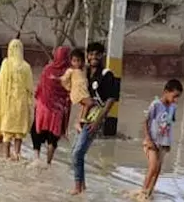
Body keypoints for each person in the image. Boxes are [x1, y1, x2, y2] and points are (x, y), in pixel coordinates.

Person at [71, 42, 119, 194]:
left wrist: (98, 122)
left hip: (95, 118)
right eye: (90, 54)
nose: (93, 57)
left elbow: (111, 100)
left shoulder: (107, 74)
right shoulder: (85, 74)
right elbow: (84, 98)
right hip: (85, 116)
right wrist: (78, 119)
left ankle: (78, 188)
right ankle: (82, 186)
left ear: (101, 55)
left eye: (96, 54)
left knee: (77, 153)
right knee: (77, 151)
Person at [142, 79, 182, 200]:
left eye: (178, 97)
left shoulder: (173, 107)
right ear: (166, 92)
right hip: (152, 141)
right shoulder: (155, 105)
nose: (175, 100)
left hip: (163, 142)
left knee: (158, 169)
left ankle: (150, 191)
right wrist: (148, 139)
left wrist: (168, 142)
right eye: (174, 96)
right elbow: (146, 121)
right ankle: (143, 192)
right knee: (153, 166)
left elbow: (169, 124)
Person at [31, 46, 72, 165]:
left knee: (36, 131)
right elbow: (70, 93)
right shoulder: (69, 73)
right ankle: (48, 162)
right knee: (53, 138)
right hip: (58, 110)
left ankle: (36, 158)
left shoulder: (47, 70)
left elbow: (39, 88)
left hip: (43, 108)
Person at [0, 38, 34, 160]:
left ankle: (6, 157)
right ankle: (17, 155)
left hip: (7, 102)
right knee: (18, 133)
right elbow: (30, 88)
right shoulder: (26, 67)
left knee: (7, 132)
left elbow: (0, 85)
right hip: (21, 103)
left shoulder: (5, 64)